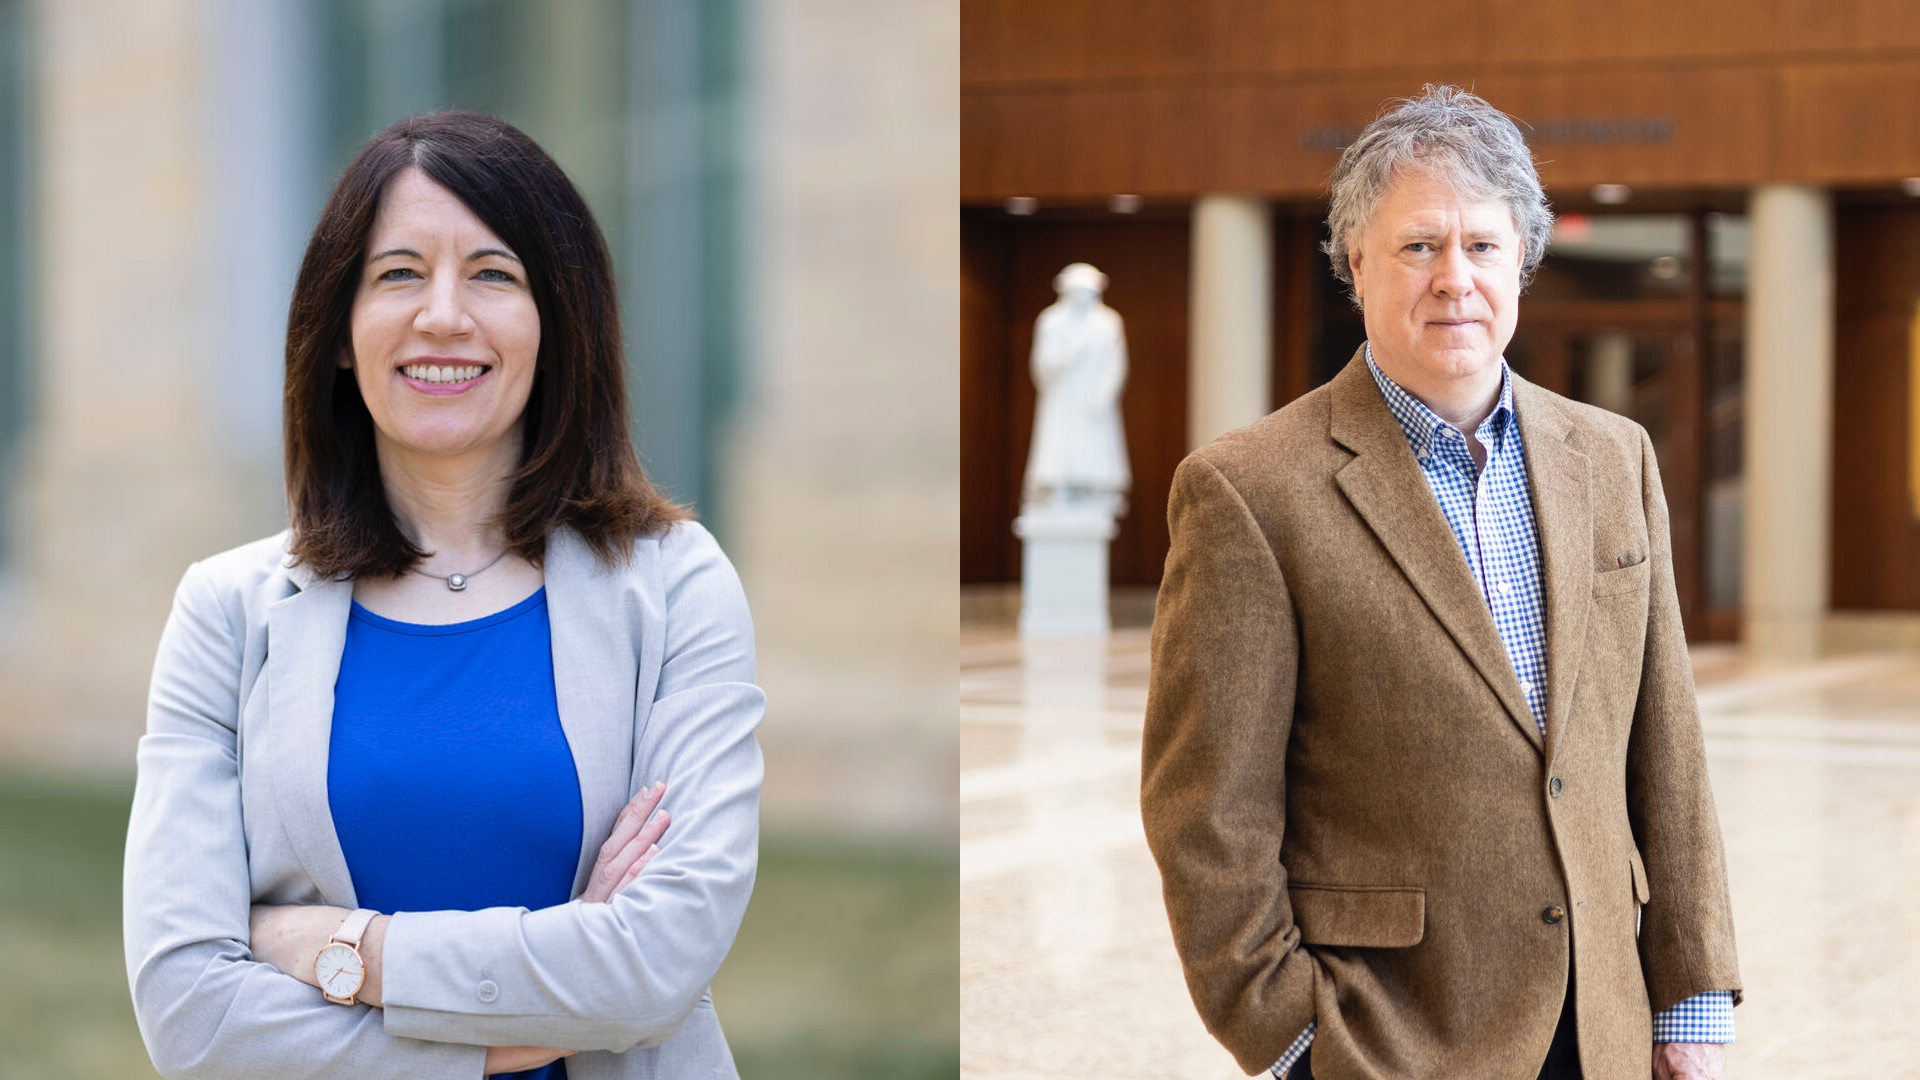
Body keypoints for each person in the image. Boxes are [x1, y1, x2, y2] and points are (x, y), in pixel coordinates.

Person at [122, 111, 765, 1080]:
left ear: (557, 323)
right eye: (399, 273)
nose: (443, 316)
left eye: (494, 274)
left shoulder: (675, 585)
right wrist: (537, 1020)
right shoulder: (225, 615)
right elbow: (192, 1016)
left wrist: (347, 954)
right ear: (340, 333)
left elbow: (657, 964)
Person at [1140, 86, 1740, 1080]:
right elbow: (1207, 812)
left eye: (1482, 247)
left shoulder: (1615, 455)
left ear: (1522, 264)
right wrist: (1294, 1039)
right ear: (1358, 265)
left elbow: (1664, 746)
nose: (1453, 279)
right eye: (1419, 246)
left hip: (1605, 1024)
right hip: (1395, 1036)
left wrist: (1691, 997)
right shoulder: (1248, 490)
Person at [1021, 262, 1131, 518]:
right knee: (1059, 441)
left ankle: (1093, 488)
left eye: (1087, 291)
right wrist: (1070, 353)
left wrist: (1105, 394)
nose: (1082, 297)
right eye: (1077, 291)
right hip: (1062, 397)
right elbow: (1043, 363)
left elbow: (1115, 363)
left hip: (1093, 398)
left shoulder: (1107, 322)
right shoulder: (1051, 320)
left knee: (1093, 443)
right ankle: (1056, 486)